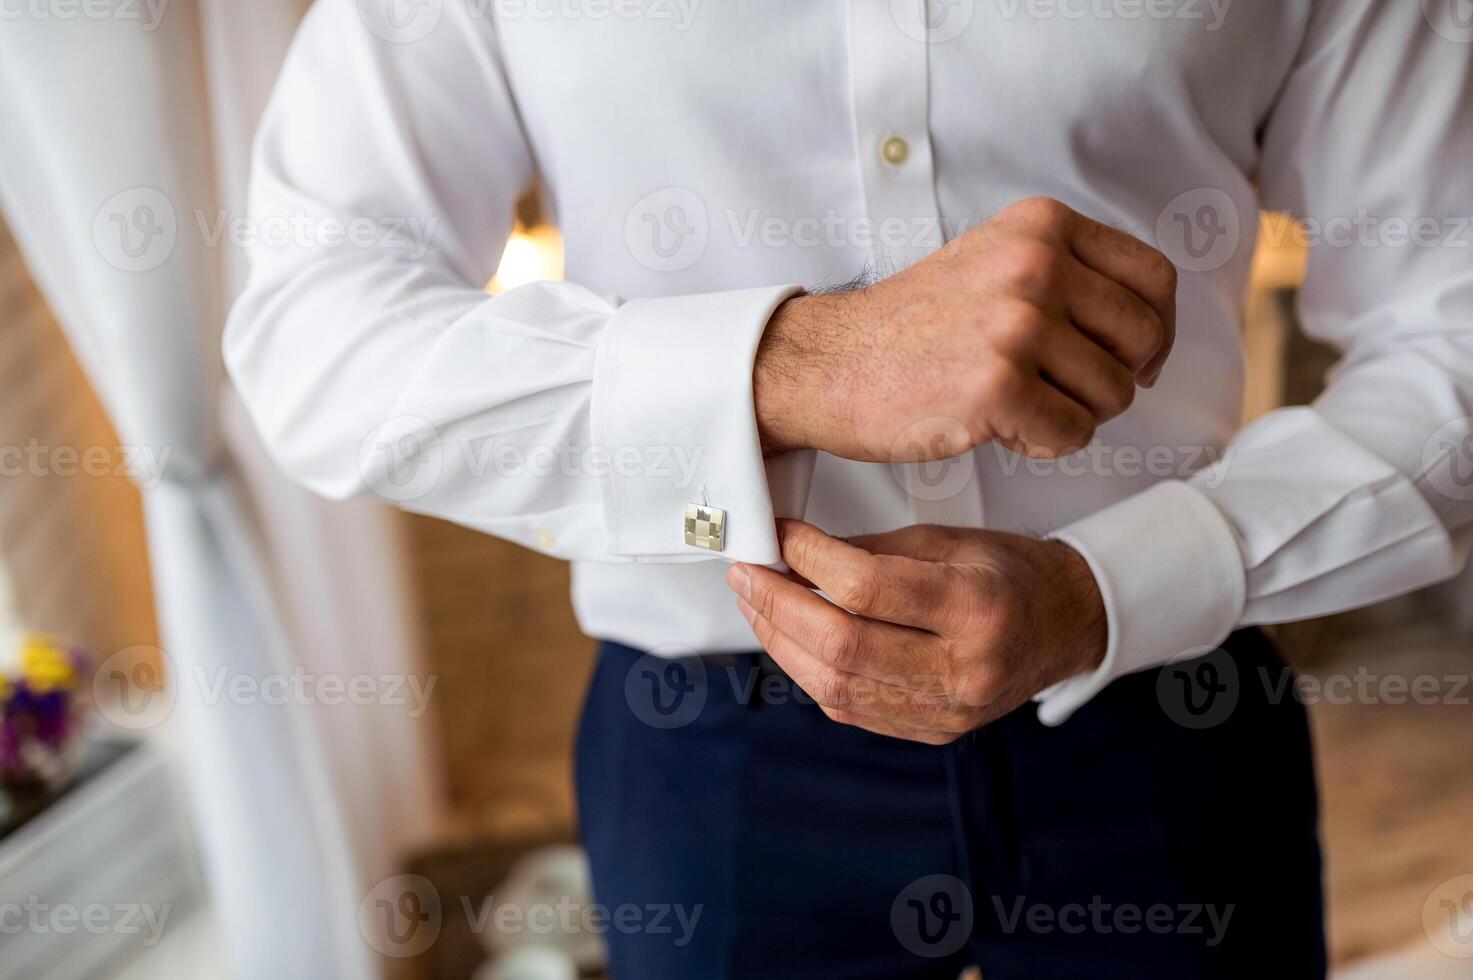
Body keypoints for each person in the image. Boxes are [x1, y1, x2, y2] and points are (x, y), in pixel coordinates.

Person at [225, 1, 1473, 976]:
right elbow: (310, 326)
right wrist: (796, 362)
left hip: (1167, 697)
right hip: (711, 745)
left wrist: (1117, 585)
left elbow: (1453, 321)